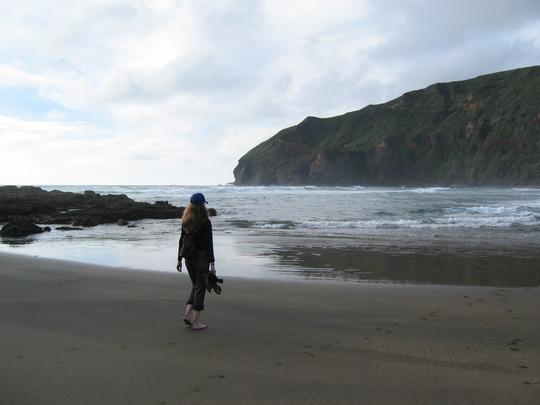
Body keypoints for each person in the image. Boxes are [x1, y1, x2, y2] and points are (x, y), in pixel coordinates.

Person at [176, 192, 216, 331]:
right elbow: (209, 244)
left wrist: (179, 259)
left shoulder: (186, 220)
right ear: (202, 205)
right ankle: (196, 322)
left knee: (195, 285)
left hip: (188, 258)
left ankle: (187, 314)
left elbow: (181, 241)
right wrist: (212, 264)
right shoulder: (206, 222)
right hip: (201, 258)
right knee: (200, 287)